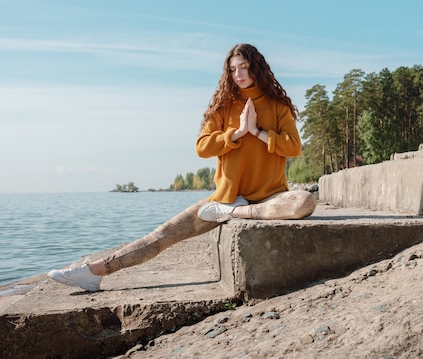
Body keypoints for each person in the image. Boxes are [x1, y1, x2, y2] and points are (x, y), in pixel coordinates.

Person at [48, 43, 316, 292]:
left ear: (257, 67)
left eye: (244, 67)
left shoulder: (278, 107)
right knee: (163, 234)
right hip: (226, 197)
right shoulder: (224, 106)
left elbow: (293, 148)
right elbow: (202, 148)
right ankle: (93, 272)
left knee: (304, 201)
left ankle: (236, 212)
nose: (238, 74)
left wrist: (256, 131)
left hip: (270, 195)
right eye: (233, 69)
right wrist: (235, 134)